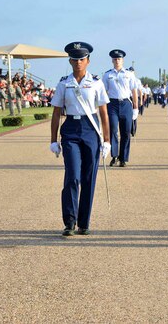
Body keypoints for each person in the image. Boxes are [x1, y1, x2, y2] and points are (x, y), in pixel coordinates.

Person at [50, 42, 110, 236]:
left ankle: (84, 222)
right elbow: (57, 112)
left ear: (88, 61)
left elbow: (103, 112)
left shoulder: (96, 82)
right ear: (70, 61)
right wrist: (53, 139)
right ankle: (69, 221)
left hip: (90, 129)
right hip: (70, 131)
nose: (78, 63)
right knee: (72, 176)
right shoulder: (63, 83)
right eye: (74, 59)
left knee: (88, 177)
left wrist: (107, 140)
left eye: (81, 59)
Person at [102, 49, 139, 167]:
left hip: (126, 104)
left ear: (122, 60)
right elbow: (104, 92)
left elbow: (134, 91)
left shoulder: (129, 74)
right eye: (115, 59)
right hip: (112, 104)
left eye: (119, 59)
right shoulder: (107, 75)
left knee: (126, 131)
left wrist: (135, 107)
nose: (117, 61)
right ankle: (114, 156)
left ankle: (123, 157)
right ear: (112, 60)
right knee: (113, 129)